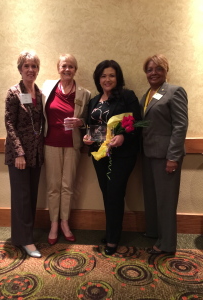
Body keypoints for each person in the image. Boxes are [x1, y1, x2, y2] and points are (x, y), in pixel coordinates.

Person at [83, 60, 141, 255]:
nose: (107, 79)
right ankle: (111, 233)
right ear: (98, 79)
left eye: (111, 75)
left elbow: (138, 124)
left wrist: (124, 135)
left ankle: (113, 240)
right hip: (100, 156)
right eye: (103, 76)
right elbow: (94, 127)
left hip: (122, 156)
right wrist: (88, 137)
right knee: (107, 195)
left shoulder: (126, 96)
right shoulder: (94, 100)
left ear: (118, 78)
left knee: (115, 194)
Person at [140, 54, 188, 254]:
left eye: (158, 68)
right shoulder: (147, 95)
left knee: (166, 202)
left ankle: (167, 244)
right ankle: (154, 232)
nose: (153, 73)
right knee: (152, 198)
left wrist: (173, 157)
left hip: (166, 157)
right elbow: (148, 123)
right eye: (149, 69)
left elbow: (180, 125)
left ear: (166, 71)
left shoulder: (174, 91)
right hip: (148, 155)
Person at [42, 54, 91, 245]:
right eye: (64, 66)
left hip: (72, 145)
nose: (67, 69)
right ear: (58, 68)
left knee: (67, 187)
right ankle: (53, 224)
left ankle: (65, 223)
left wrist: (80, 122)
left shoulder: (84, 93)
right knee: (53, 186)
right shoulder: (47, 88)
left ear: (75, 70)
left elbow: (89, 119)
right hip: (50, 143)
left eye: (71, 66)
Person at [5, 50, 44, 258]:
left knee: (31, 197)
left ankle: (23, 235)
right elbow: (9, 124)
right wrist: (19, 153)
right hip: (19, 155)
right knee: (22, 198)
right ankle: (26, 241)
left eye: (34, 66)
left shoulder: (39, 93)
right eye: (27, 66)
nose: (31, 70)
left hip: (36, 154)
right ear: (20, 69)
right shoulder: (13, 93)